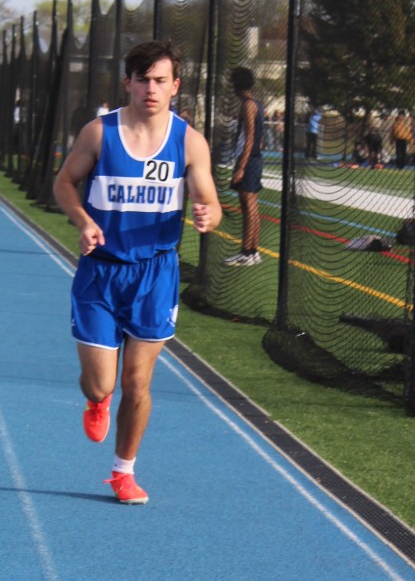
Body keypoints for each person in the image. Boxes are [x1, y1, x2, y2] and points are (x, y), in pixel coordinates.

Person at [53, 40, 221, 505]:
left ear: (175, 86)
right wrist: (83, 221)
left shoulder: (188, 141)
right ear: (127, 83)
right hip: (101, 272)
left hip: (155, 274)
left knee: (138, 382)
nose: (151, 89)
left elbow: (210, 201)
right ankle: (96, 400)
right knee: (102, 383)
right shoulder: (99, 134)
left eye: (160, 80)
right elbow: (64, 183)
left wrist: (207, 214)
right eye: (143, 79)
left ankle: (123, 472)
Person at [225, 67, 264, 266]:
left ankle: (246, 252)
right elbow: (259, 139)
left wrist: (241, 166)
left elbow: (250, 137)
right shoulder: (257, 104)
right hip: (254, 159)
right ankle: (253, 251)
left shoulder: (248, 105)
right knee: (251, 206)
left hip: (248, 160)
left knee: (248, 206)